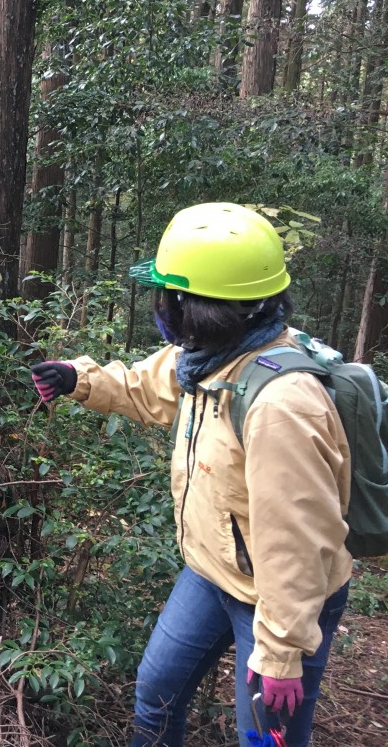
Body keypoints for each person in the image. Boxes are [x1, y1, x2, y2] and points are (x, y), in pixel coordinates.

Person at [30, 203, 350, 747]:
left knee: (267, 741)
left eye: (169, 296)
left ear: (199, 307)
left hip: (278, 602)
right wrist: (77, 379)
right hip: (211, 570)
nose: (162, 307)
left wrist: (280, 651)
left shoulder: (281, 402)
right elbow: (143, 386)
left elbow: (300, 543)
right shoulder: (207, 360)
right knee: (156, 697)